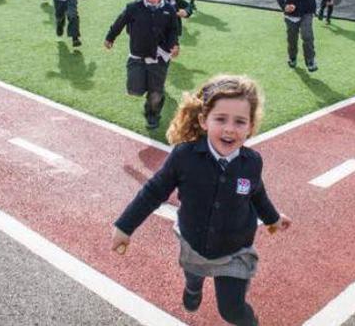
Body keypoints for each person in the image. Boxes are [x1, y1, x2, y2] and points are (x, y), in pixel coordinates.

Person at [111, 75, 291, 326]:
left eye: (240, 121)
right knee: (194, 277)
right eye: (220, 119)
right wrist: (125, 226)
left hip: (235, 251)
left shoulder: (252, 162)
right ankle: (193, 287)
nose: (229, 128)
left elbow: (257, 193)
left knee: (232, 309)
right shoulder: (184, 156)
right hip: (194, 242)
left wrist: (273, 218)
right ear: (203, 121)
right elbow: (153, 191)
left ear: (250, 127)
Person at [104, 0, 178, 130]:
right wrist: (110, 37)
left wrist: (174, 45)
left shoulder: (169, 9)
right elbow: (119, 22)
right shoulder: (133, 8)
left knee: (155, 92)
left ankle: (153, 113)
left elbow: (173, 30)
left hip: (160, 57)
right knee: (135, 89)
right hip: (137, 56)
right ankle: (152, 91)